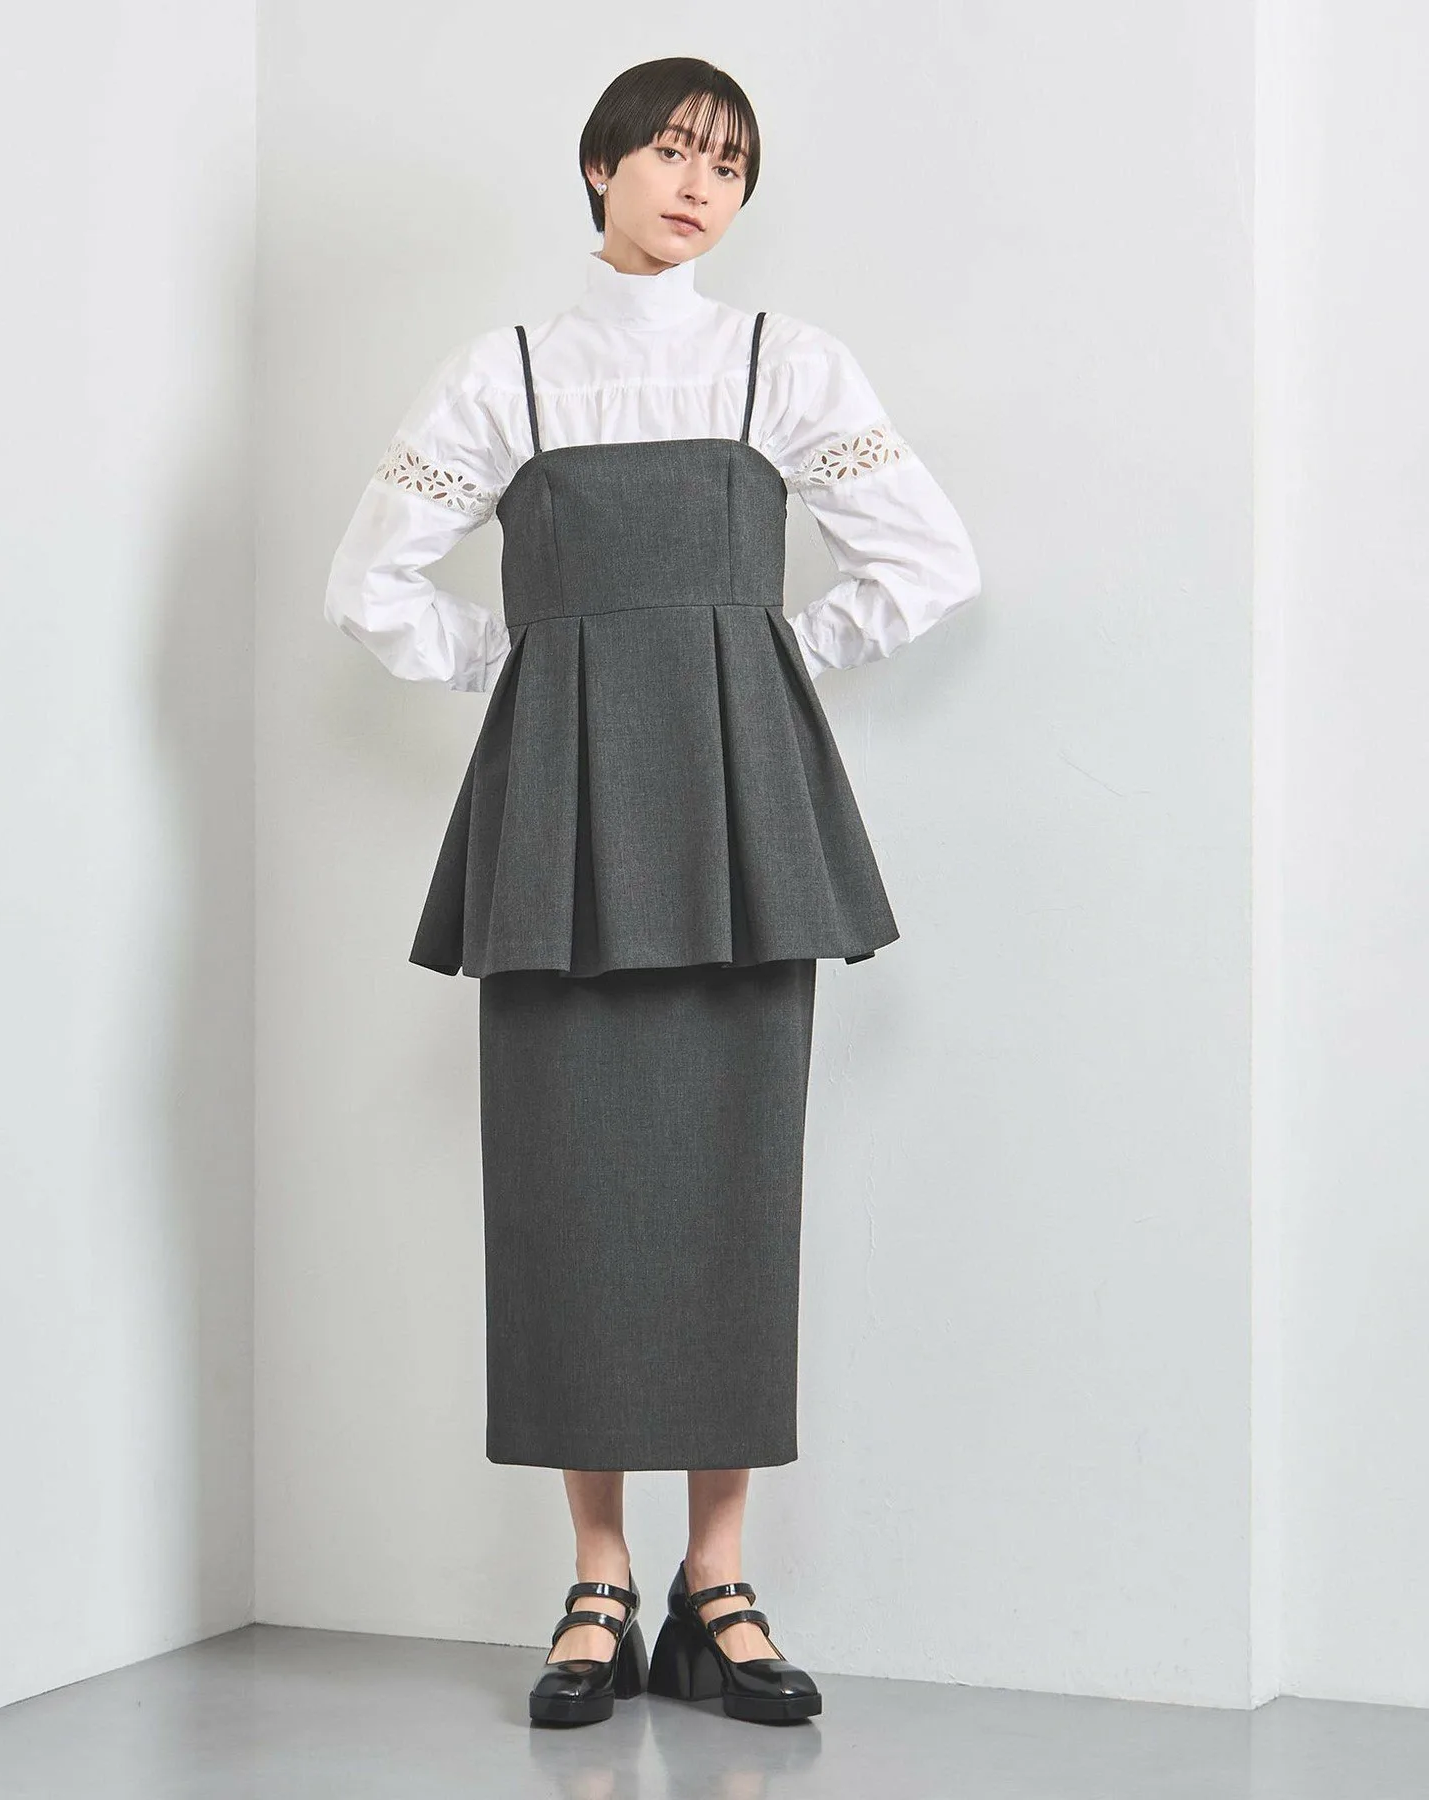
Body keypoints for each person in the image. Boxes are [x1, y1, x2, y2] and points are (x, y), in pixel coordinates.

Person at [324, 57, 980, 1729]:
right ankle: (599, 1580)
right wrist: (538, 674)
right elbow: (370, 583)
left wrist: (753, 666)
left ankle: (720, 1581)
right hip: (559, 823)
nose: (700, 185)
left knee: (733, 1187)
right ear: (600, 164)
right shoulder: (507, 374)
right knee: (570, 1190)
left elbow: (930, 561)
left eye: (730, 165)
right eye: (675, 151)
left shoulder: (783, 363)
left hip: (742, 822)